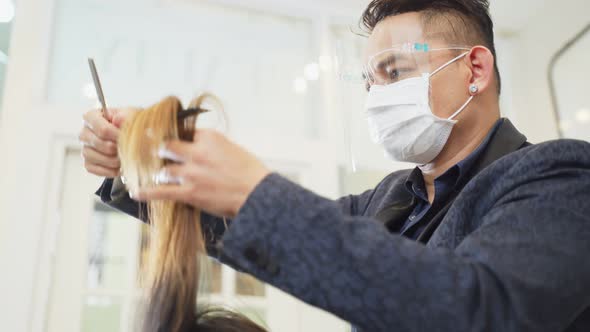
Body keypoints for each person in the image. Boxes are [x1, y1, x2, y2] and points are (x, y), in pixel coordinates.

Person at [80, 0, 590, 330]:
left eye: (395, 71)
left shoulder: (558, 179)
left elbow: (480, 310)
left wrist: (255, 189)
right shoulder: (389, 199)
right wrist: (134, 169)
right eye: (369, 80)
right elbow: (253, 231)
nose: (377, 96)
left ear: (475, 69)